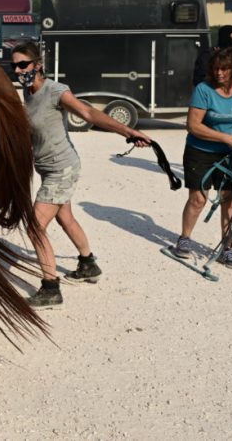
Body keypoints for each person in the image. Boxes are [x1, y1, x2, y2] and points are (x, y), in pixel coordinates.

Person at [11, 42, 153, 310]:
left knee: (34, 226)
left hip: (62, 168)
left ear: (38, 64)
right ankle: (88, 264)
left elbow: (88, 113)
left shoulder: (55, 91)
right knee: (65, 217)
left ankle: (50, 288)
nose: (19, 70)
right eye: (14, 66)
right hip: (48, 167)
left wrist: (128, 132)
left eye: (23, 64)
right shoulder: (28, 94)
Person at [171, 47, 232, 269]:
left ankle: (226, 248)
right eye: (216, 68)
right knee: (199, 198)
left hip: (231, 152)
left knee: (230, 198)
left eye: (224, 69)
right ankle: (184, 238)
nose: (219, 73)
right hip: (200, 150)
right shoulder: (203, 90)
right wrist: (224, 137)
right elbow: (193, 126)